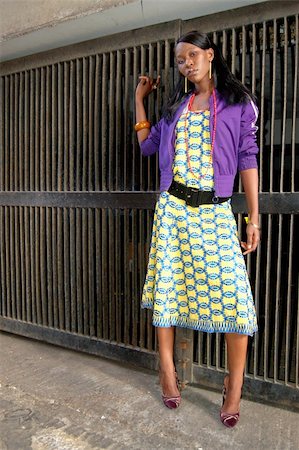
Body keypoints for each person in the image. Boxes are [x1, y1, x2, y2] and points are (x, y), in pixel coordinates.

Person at [134, 30, 260, 428]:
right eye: (179, 59)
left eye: (191, 55)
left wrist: (254, 218)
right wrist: (140, 100)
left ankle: (234, 384)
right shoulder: (175, 108)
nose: (185, 63)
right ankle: (167, 372)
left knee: (235, 299)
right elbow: (146, 147)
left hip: (214, 212)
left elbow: (248, 159)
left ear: (209, 55)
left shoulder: (239, 104)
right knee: (167, 291)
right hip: (172, 211)